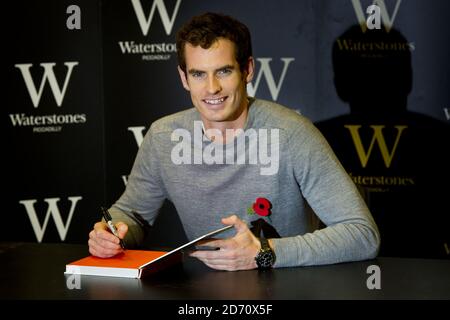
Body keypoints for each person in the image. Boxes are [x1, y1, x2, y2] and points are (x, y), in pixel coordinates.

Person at [88, 12, 380, 271]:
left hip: (289, 288)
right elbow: (131, 215)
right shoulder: (164, 137)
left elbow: (362, 234)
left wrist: (264, 253)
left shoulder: (292, 134)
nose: (211, 87)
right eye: (198, 74)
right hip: (204, 293)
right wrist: (111, 232)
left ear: (248, 70)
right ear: (183, 78)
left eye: (224, 71)